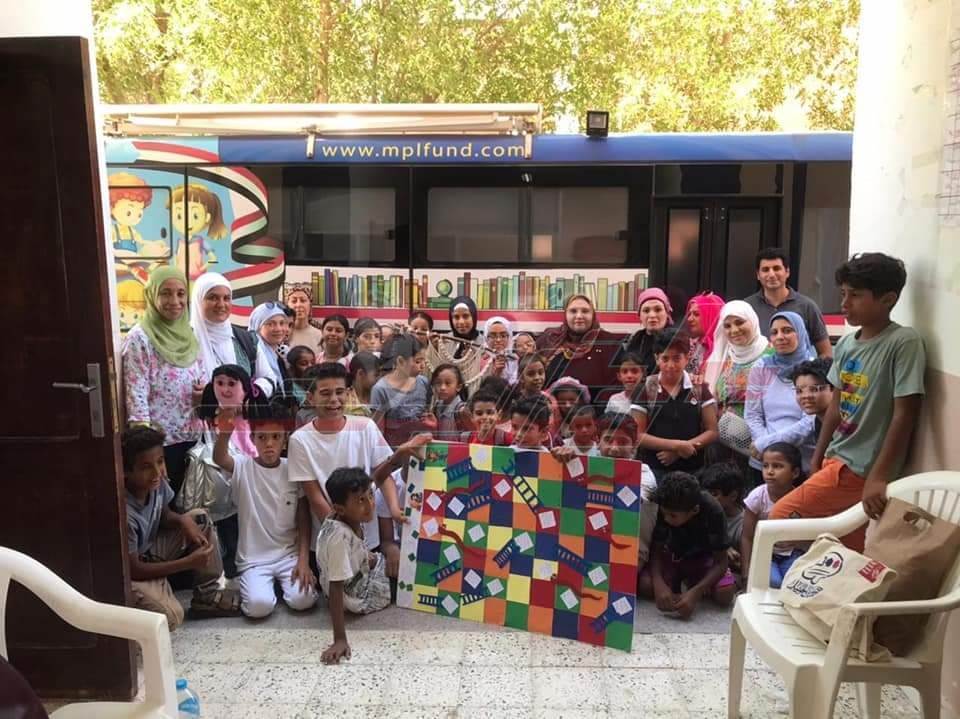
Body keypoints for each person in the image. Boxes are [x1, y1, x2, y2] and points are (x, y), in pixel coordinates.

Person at [770, 253, 926, 551]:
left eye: (855, 295)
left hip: (862, 467)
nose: (845, 303)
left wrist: (878, 476)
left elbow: (905, 414)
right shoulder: (846, 345)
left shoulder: (902, 342)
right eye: (843, 293)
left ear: (888, 299)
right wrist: (818, 457)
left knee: (779, 520)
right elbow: (836, 406)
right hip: (836, 458)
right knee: (850, 545)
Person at [288, 362, 424, 553]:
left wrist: (394, 508)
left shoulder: (366, 426)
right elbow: (315, 498)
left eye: (339, 392)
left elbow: (383, 475)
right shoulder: (300, 440)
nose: (334, 399)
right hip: (330, 541)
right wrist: (346, 537)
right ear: (311, 398)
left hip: (369, 538)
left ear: (348, 393)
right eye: (325, 393)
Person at [123, 425, 240, 629]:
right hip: (133, 572)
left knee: (198, 519)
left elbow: (164, 514)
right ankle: (152, 588)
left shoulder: (156, 483)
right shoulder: (126, 513)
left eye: (160, 461)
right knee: (171, 617)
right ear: (126, 472)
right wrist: (187, 563)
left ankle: (207, 596)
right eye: (145, 467)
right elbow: (133, 569)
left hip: (151, 553)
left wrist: (182, 520)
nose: (156, 472)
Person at [213, 397, 317, 618]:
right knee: (259, 607)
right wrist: (225, 432)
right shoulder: (243, 467)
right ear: (252, 439)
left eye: (276, 437)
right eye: (262, 437)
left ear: (285, 439)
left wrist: (304, 560)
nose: (269, 444)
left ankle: (278, 586)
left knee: (304, 600)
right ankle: (258, 586)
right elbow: (220, 458)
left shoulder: (293, 469)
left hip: (288, 555)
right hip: (254, 560)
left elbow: (303, 518)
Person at [122, 266, 207, 493]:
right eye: (166, 293)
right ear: (152, 295)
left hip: (192, 436)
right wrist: (146, 450)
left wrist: (204, 393)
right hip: (161, 445)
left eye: (181, 293)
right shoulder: (140, 338)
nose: (175, 301)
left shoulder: (190, 334)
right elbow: (136, 393)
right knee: (165, 505)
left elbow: (201, 375)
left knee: (190, 500)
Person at [316, 467, 395, 664]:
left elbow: (376, 479)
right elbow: (336, 587)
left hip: (356, 573)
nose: (370, 504)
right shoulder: (339, 539)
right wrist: (340, 640)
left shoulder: (342, 515)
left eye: (370, 496)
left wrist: (397, 457)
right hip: (356, 595)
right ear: (340, 508)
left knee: (389, 560)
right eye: (361, 500)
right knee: (402, 577)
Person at [638, 471, 736, 618]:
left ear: (694, 510)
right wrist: (659, 584)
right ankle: (678, 583)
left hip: (702, 558)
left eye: (673, 516)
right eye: (664, 514)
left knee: (725, 594)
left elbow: (721, 562)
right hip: (671, 555)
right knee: (646, 585)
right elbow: (656, 550)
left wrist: (696, 593)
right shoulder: (663, 505)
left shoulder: (713, 510)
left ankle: (695, 583)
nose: (666, 519)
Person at [631, 331, 718, 479]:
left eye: (677, 358)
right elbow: (638, 435)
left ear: (687, 358)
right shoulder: (644, 389)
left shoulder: (699, 388)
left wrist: (680, 451)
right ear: (656, 359)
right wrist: (676, 446)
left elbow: (712, 431)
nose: (670, 365)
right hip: (653, 472)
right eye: (665, 358)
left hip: (694, 471)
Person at [745, 311, 816, 478]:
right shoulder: (761, 367)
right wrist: (768, 450)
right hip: (764, 463)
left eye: (787, 330)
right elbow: (753, 415)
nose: (780, 337)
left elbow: (810, 422)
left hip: (801, 463)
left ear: (800, 332)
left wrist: (767, 444)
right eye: (774, 332)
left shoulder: (814, 369)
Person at [595, 412, 659, 574]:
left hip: (631, 553)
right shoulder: (589, 468)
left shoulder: (644, 475)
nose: (614, 448)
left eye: (622, 442)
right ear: (597, 441)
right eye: (608, 440)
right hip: (592, 545)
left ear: (634, 445)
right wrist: (564, 462)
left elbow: (629, 503)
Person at [744, 248, 832, 358]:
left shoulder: (807, 306)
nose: (771, 274)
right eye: (765, 270)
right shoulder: (747, 307)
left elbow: (826, 353)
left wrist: (811, 369)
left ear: (787, 272)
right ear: (758, 275)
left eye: (776, 268)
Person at [741, 442, 806, 588]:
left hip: (792, 553)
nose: (769, 471)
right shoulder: (758, 496)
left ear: (795, 473)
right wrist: (746, 573)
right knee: (773, 583)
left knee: (794, 583)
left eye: (777, 466)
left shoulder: (801, 499)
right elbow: (747, 536)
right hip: (764, 552)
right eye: (765, 466)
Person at [536, 294, 620, 402]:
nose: (579, 316)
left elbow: (616, 385)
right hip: (548, 408)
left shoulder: (609, 343)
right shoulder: (550, 339)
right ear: (565, 314)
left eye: (585, 311)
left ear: (593, 315)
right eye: (573, 311)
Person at [704, 300, 772, 420]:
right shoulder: (722, 356)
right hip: (721, 429)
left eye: (739, 322)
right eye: (727, 326)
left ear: (752, 321)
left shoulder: (772, 355)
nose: (734, 330)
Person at [189, 272, 258, 378]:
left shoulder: (244, 339)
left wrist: (249, 387)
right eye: (213, 298)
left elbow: (267, 376)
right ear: (198, 300)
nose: (221, 305)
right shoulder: (183, 341)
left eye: (226, 298)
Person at [371, 334, 432, 448]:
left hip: (420, 448)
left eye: (424, 360)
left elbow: (426, 415)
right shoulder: (381, 389)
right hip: (393, 451)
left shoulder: (423, 382)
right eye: (417, 361)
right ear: (400, 361)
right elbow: (377, 431)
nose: (423, 366)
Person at [425, 297, 486, 396]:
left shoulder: (483, 344)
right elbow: (434, 371)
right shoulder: (443, 341)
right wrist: (434, 349)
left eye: (466, 316)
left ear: (473, 317)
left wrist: (472, 360)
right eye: (456, 317)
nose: (461, 322)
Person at [699, 463, 746, 575]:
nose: (708, 498)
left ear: (733, 496)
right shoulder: (701, 511)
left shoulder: (744, 525)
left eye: (714, 494)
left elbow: (745, 565)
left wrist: (725, 556)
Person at [619, 287, 675, 378]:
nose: (652, 315)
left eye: (658, 309)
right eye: (646, 311)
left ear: (667, 313)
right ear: (639, 316)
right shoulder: (632, 340)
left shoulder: (678, 339)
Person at [249, 301, 295, 397]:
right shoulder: (253, 353)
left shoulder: (279, 355)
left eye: (282, 323)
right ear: (258, 326)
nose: (278, 329)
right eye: (270, 324)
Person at [684, 292, 724, 381]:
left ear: (711, 315)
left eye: (696, 314)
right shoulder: (690, 345)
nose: (689, 319)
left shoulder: (727, 349)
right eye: (689, 314)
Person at [425, 363, 470, 441]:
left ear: (458, 387)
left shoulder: (461, 411)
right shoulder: (437, 407)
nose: (442, 388)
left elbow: (474, 436)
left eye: (448, 383)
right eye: (438, 383)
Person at [548, 376, 591, 440]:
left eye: (572, 401)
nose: (567, 405)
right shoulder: (553, 424)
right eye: (562, 402)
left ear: (581, 400)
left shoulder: (589, 421)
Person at [479, 315, 518, 385]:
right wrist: (496, 374)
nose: (498, 340)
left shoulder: (515, 360)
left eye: (503, 336)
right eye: (493, 336)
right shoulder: (480, 361)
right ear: (486, 338)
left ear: (509, 337)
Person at [285, 283, 324, 353]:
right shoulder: (282, 333)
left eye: (303, 300)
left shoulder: (320, 335)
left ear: (310, 304)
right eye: (294, 301)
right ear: (287, 304)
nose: (298, 305)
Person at [345, 351, 379, 418]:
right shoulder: (344, 401)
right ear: (360, 374)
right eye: (376, 375)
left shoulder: (380, 397)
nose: (379, 379)